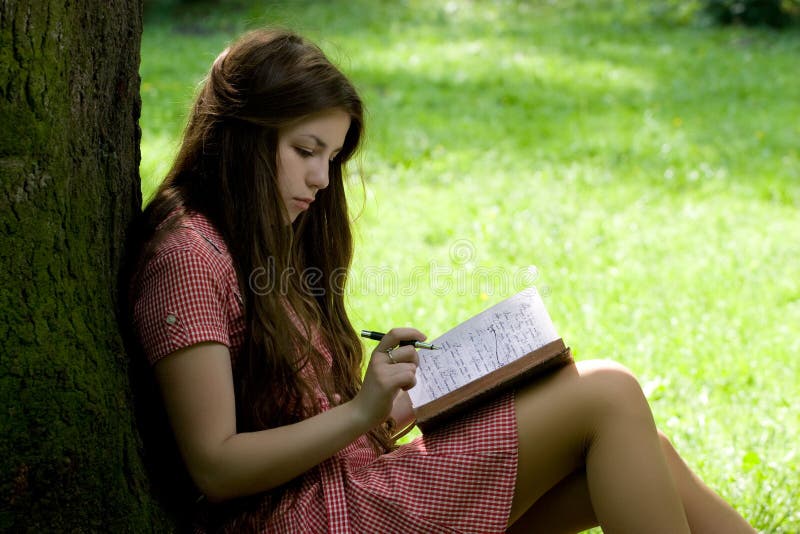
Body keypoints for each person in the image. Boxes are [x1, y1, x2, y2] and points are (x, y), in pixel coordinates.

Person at [127, 28, 756, 533]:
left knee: (642, 451)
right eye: (306, 150)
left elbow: (300, 412)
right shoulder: (188, 256)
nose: (322, 180)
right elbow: (215, 465)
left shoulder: (255, 235)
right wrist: (361, 412)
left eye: (332, 158)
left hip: (353, 484)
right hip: (317, 516)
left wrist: (405, 395)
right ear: (244, 136)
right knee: (608, 393)